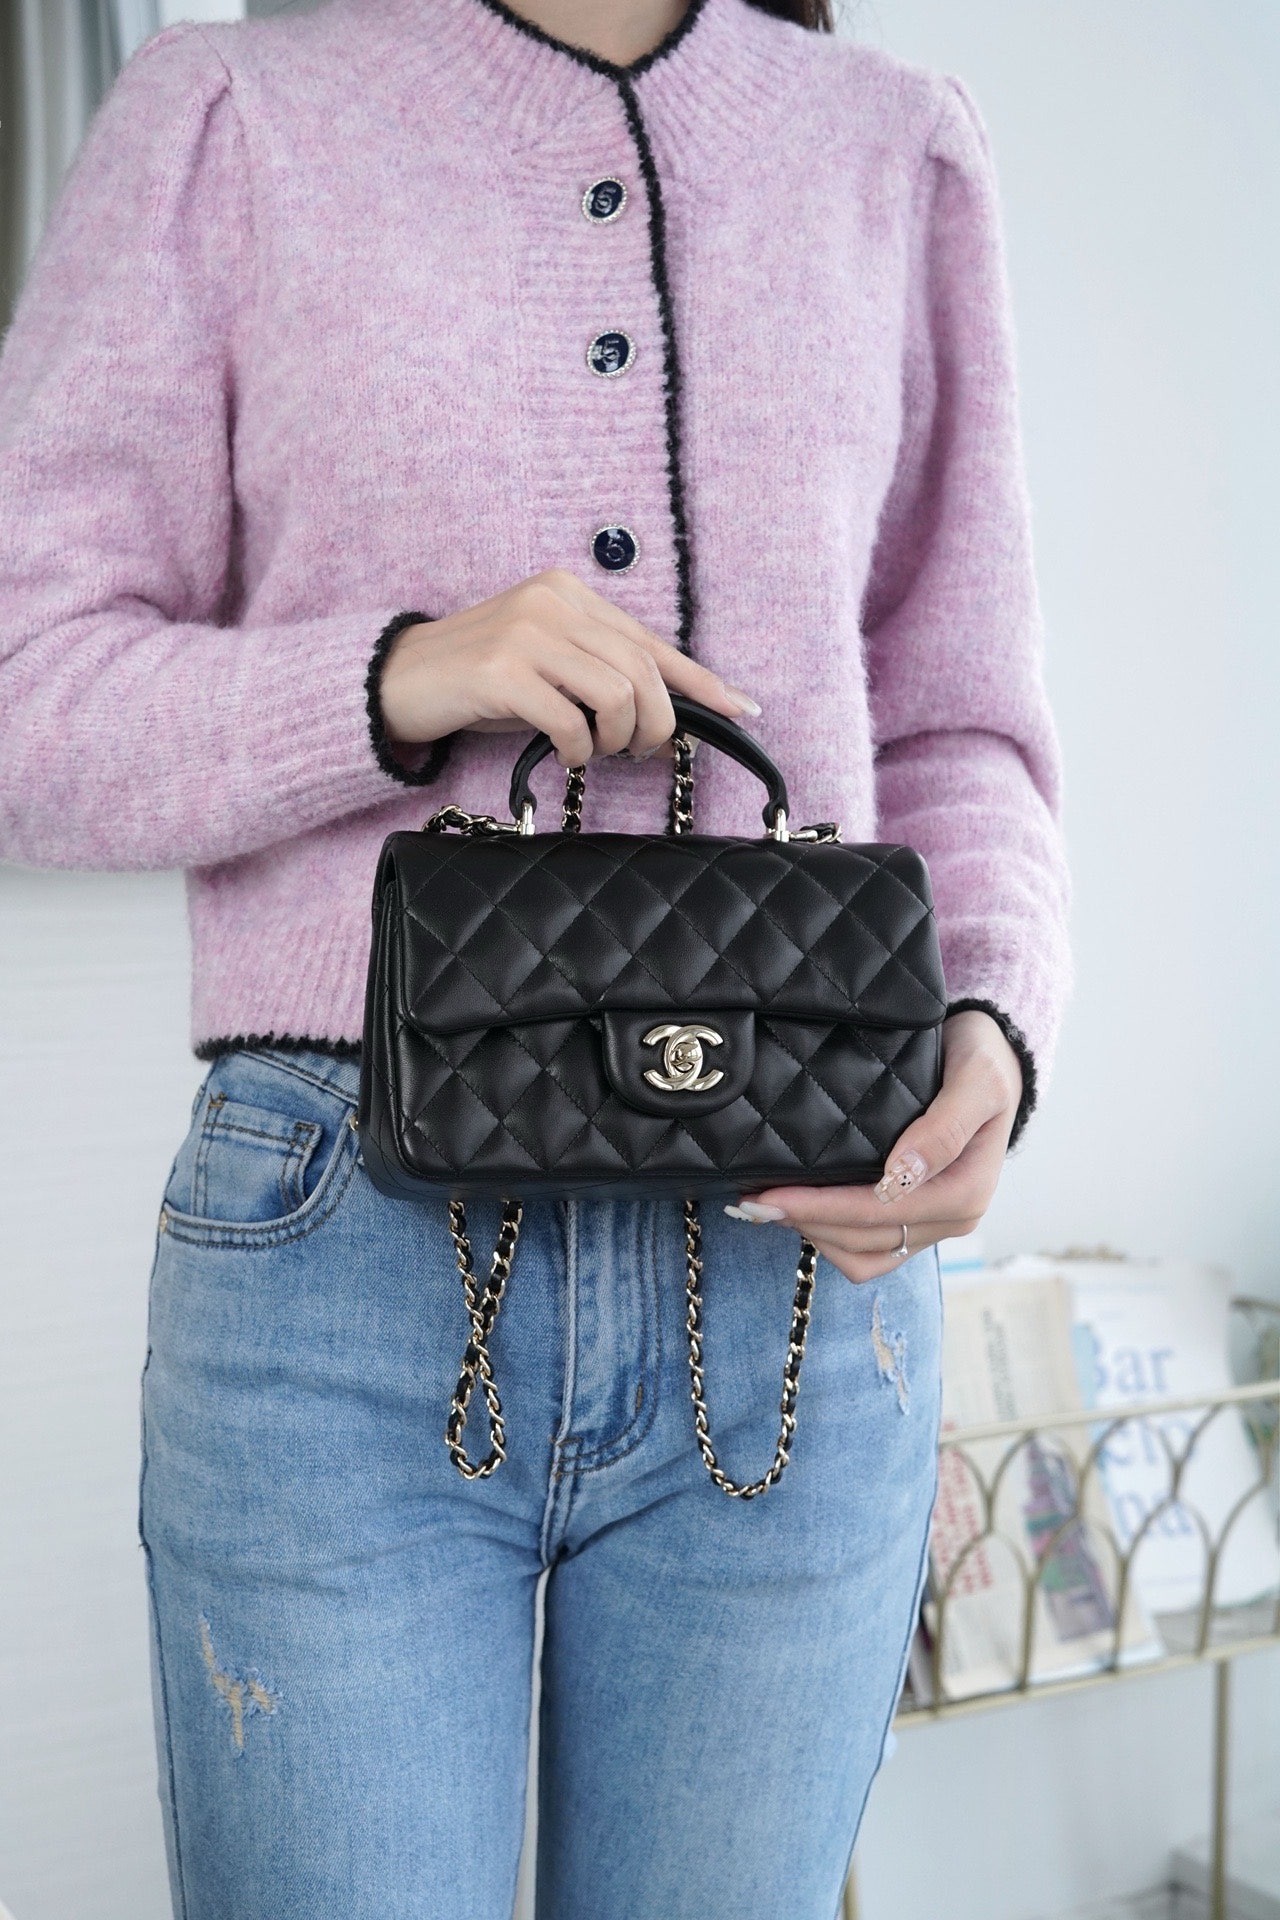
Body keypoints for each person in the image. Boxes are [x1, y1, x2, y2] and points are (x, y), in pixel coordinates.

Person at [0, 0, 1070, 1912]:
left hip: (801, 1288)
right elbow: (27, 692)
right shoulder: (232, 117)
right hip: (344, 1258)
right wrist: (395, 675)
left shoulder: (893, 149)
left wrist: (991, 1021)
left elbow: (960, 719)